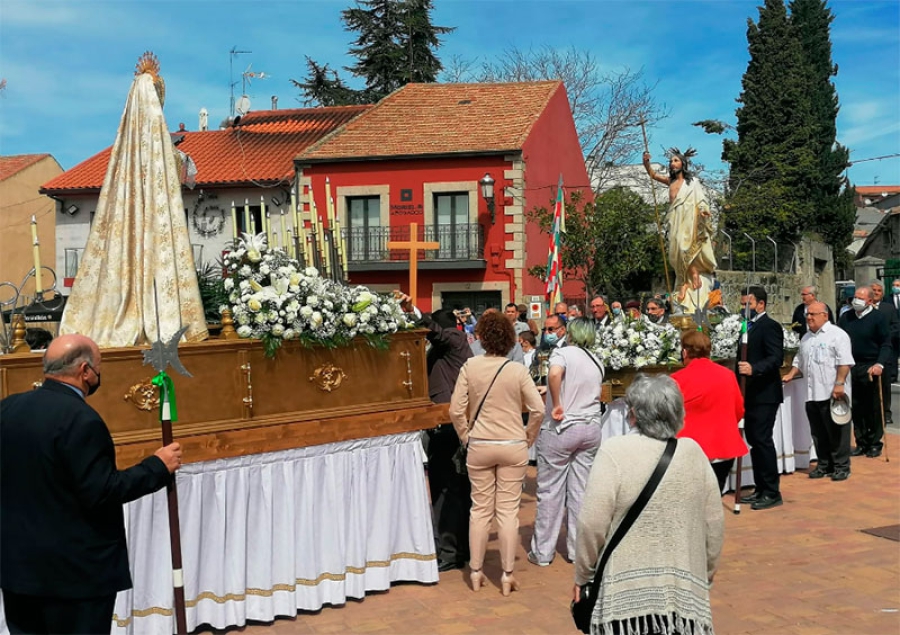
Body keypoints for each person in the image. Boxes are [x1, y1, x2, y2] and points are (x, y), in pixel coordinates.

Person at [0, 333, 182, 634]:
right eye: (98, 367)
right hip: (74, 574)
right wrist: (157, 467)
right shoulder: (81, 419)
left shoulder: (8, 409)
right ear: (85, 371)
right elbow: (102, 491)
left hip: (18, 567)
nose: (99, 375)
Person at [574, 374, 723, 635]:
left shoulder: (615, 451)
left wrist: (584, 575)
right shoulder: (693, 453)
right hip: (681, 591)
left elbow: (591, 523)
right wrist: (704, 575)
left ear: (633, 414)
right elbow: (714, 524)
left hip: (625, 594)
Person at [449, 312, 544, 596]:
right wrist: (529, 438)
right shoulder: (516, 370)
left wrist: (466, 436)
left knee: (479, 510)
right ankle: (506, 574)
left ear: (481, 337)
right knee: (507, 511)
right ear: (509, 340)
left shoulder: (470, 366)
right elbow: (538, 409)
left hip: (480, 443)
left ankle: (476, 571)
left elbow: (455, 410)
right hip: (513, 442)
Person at [529, 318, 603, 566]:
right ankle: (576, 550)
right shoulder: (596, 359)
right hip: (590, 427)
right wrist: (551, 392)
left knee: (550, 490)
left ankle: (542, 551)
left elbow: (555, 373)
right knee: (581, 491)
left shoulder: (562, 353)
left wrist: (558, 402)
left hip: (563, 427)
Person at [417, 306, 475, 572]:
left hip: (449, 427)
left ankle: (452, 551)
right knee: (454, 490)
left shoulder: (455, 340)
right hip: (444, 425)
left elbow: (437, 333)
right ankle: (458, 548)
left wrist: (415, 313)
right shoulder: (444, 349)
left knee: (449, 490)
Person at [782, 302, 855, 481]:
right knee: (818, 431)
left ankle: (841, 466)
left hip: (831, 392)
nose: (809, 317)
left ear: (825, 315)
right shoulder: (806, 337)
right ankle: (824, 464)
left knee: (837, 431)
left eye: (813, 314)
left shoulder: (838, 335)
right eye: (807, 314)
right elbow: (799, 360)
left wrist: (839, 384)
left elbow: (844, 362)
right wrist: (790, 374)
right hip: (811, 392)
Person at [671, 330, 748, 492]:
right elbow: (738, 410)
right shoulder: (727, 375)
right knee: (714, 498)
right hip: (723, 447)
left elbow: (669, 417)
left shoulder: (678, 379)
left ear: (684, 352)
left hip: (692, 450)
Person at [643, 147, 717, 313]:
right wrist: (646, 163)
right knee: (676, 253)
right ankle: (684, 283)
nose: (672, 163)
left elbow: (701, 199)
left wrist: (704, 210)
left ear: (683, 164)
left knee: (686, 248)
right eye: (670, 161)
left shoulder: (692, 183)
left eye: (675, 160)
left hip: (689, 219)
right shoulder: (671, 182)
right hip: (675, 220)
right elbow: (653, 175)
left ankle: (694, 273)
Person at [737, 286, 785, 510]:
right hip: (750, 393)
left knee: (762, 440)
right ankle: (761, 487)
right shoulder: (747, 327)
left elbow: (776, 358)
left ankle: (771, 491)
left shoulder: (770, 327)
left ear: (761, 304)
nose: (743, 308)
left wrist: (754, 369)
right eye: (742, 303)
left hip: (765, 393)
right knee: (755, 441)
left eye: (747, 304)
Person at [838, 286, 892, 458]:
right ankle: (860, 441)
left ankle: (875, 442)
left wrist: (879, 364)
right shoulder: (847, 317)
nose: (857, 301)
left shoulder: (878, 318)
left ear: (869, 300)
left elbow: (886, 343)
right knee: (857, 406)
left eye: (861, 298)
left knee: (874, 407)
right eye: (855, 297)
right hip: (852, 366)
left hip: (872, 366)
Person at [871, 280, 899, 425]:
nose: (875, 293)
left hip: (885, 353)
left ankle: (886, 413)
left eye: (878, 291)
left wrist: (885, 337)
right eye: (873, 290)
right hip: (868, 354)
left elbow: (895, 327)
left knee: (885, 386)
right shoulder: (864, 309)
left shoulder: (888, 309)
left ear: (882, 294)